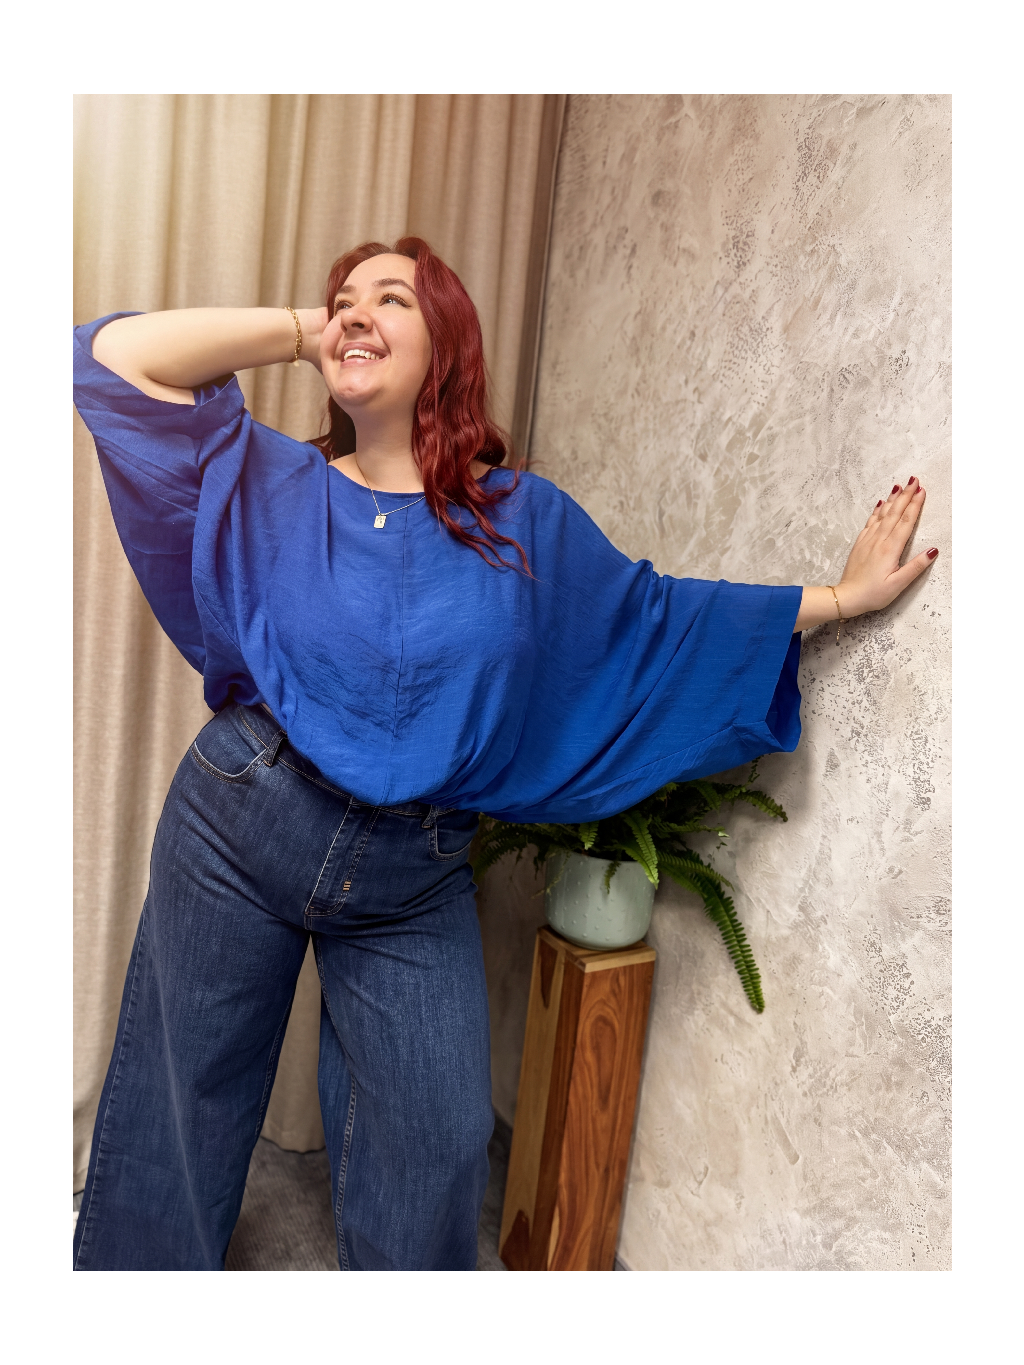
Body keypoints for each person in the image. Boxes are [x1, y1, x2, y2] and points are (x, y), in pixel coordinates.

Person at [72, 237, 937, 1271]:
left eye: (392, 299)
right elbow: (113, 360)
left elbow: (656, 622)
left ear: (447, 342)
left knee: (439, 1141)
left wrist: (839, 597)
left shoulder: (524, 520)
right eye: (344, 299)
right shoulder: (274, 482)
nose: (357, 312)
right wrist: (310, 330)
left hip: (414, 871)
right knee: (183, 1102)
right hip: (240, 823)